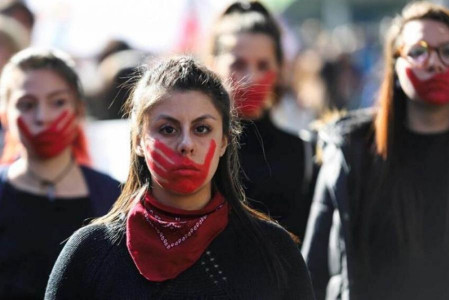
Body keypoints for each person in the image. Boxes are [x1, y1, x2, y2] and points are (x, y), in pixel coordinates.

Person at [45, 56, 315, 299]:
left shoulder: (272, 251)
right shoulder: (90, 253)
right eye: (167, 129)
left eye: (201, 128)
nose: (186, 144)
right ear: (138, 141)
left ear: (223, 141)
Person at [301, 2, 449, 299]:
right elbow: (312, 271)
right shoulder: (350, 152)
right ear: (394, 64)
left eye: (448, 51)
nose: (434, 63)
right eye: (418, 52)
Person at [0, 48, 121, 299]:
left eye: (58, 102)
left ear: (78, 109)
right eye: (27, 104)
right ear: (5, 115)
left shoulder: (116, 199)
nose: (43, 117)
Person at [207, 0, 314, 240]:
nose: (251, 78)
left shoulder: (304, 153)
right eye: (238, 63)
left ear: (280, 69)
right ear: (213, 65)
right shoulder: (197, 149)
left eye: (263, 65)